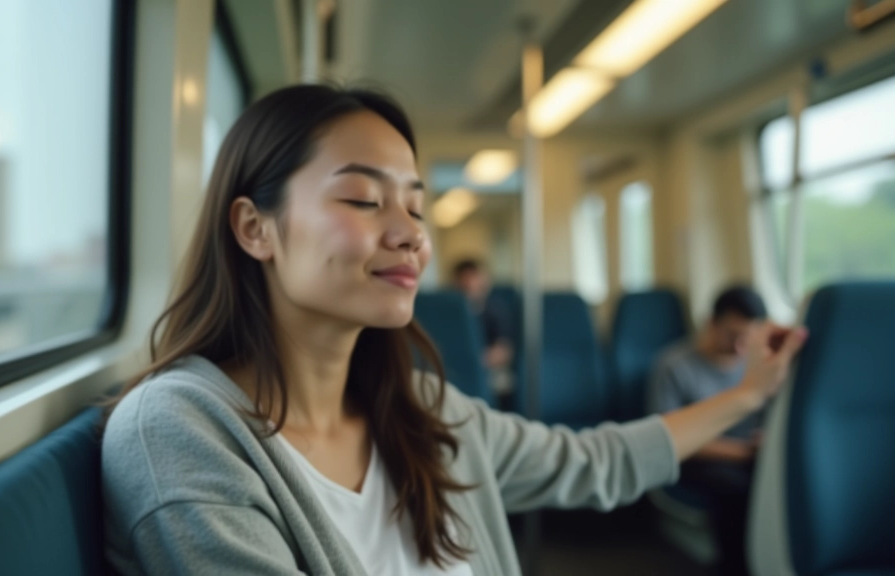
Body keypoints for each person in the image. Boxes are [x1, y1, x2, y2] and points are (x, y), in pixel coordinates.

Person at [101, 85, 807, 576]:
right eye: (363, 199)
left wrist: (747, 396)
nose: (410, 234)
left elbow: (596, 460)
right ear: (256, 228)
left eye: (416, 206)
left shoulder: (421, 410)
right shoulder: (178, 432)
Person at [647, 285, 772, 576]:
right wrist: (743, 453)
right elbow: (667, 437)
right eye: (732, 335)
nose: (741, 346)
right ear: (711, 323)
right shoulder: (673, 365)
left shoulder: (754, 367)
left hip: (747, 452)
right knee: (735, 487)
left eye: (748, 337)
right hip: (695, 457)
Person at [452, 259, 514, 403]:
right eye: (465, 280)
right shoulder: (450, 314)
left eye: (474, 278)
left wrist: (475, 361)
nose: (470, 285)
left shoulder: (495, 311)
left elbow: (504, 351)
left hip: (486, 370)